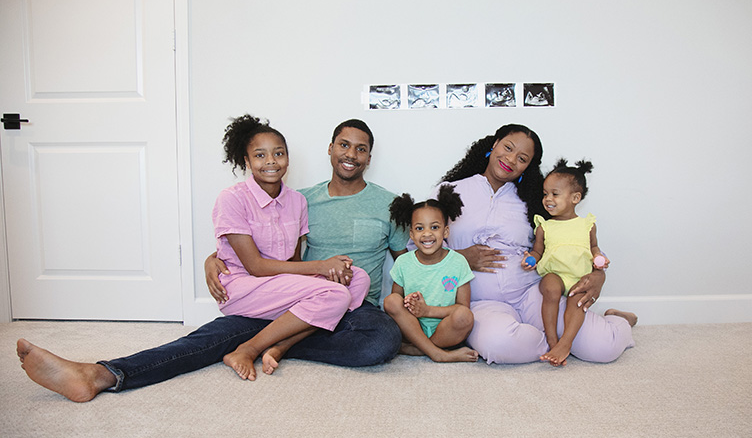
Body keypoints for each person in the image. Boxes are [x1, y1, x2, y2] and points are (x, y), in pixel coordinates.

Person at [16, 118, 406, 402]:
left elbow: (411, 259)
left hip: (351, 309)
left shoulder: (387, 203)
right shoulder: (303, 197)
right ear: (330, 148)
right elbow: (265, 252)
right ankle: (101, 374)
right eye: (343, 144)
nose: (350, 154)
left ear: (369, 157)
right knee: (207, 339)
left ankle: (273, 342)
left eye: (360, 148)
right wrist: (213, 259)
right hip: (281, 294)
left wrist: (457, 264)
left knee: (382, 340)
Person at [434, 124, 637, 365]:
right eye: (507, 148)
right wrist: (458, 257)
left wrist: (598, 275)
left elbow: (572, 239)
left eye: (522, 158)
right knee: (499, 345)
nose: (510, 159)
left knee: (604, 347)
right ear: (494, 144)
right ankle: (555, 343)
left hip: (533, 294)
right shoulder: (450, 191)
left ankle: (617, 320)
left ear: (528, 167)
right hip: (481, 301)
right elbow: (416, 248)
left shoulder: (535, 201)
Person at [211, 115, 369, 381]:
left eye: (278, 153)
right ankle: (247, 349)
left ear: (287, 158)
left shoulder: (297, 201)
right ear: (247, 161)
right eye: (260, 155)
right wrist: (321, 266)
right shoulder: (232, 198)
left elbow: (294, 260)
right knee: (335, 295)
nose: (271, 161)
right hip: (244, 286)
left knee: (359, 280)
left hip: (281, 285)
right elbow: (255, 266)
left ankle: (282, 345)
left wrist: (323, 273)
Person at [521, 158, 610, 367]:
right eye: (545, 194)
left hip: (579, 276)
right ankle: (551, 338)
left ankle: (566, 342)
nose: (548, 199)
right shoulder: (544, 226)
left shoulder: (586, 225)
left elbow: (594, 247)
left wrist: (599, 258)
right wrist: (531, 258)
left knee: (577, 299)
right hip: (555, 274)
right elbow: (537, 250)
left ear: (575, 198)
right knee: (550, 288)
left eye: (555, 194)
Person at [384, 185, 478, 363]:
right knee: (390, 301)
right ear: (411, 234)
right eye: (420, 229)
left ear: (446, 231)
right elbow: (395, 302)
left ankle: (421, 349)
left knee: (465, 317)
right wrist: (409, 302)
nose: (427, 234)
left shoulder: (458, 262)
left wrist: (427, 310)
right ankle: (438, 353)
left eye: (434, 227)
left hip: (445, 329)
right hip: (412, 330)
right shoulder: (403, 262)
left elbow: (462, 308)